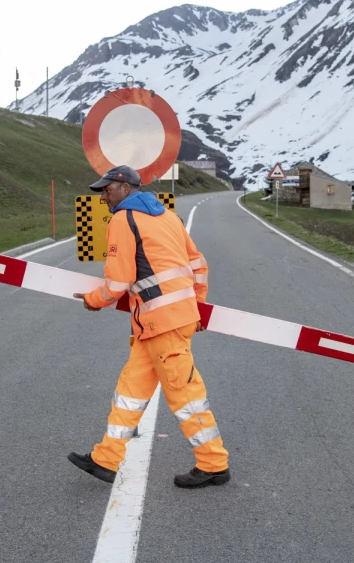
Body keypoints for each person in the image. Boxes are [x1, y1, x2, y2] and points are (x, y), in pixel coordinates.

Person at [68, 165, 231, 489]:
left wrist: (92, 300)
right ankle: (106, 459)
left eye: (106, 190)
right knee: (130, 389)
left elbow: (118, 282)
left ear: (125, 188)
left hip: (161, 323)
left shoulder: (122, 220)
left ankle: (214, 464)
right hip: (163, 323)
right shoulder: (168, 216)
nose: (102, 197)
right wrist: (196, 305)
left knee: (185, 395)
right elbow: (198, 263)